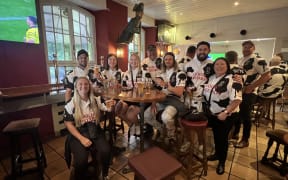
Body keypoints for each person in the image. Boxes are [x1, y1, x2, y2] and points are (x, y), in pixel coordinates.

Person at [63, 77, 113, 180]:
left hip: (94, 130)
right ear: (76, 87)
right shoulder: (70, 104)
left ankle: (105, 174)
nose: (83, 86)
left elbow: (106, 108)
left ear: (89, 86)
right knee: (81, 160)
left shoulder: (95, 100)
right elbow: (68, 124)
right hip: (78, 132)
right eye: (80, 84)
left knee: (106, 151)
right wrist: (81, 138)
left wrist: (111, 105)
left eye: (86, 84)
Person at [203, 57, 242, 175]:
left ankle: (222, 162)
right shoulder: (211, 78)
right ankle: (217, 154)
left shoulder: (233, 80)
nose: (219, 66)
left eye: (222, 64)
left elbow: (237, 100)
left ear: (227, 67)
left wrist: (226, 112)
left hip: (227, 114)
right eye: (217, 64)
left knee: (222, 139)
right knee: (216, 135)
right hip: (213, 113)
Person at [233, 40, 271, 148]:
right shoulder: (241, 59)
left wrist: (251, 87)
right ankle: (235, 134)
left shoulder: (258, 59)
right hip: (239, 91)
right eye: (244, 47)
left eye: (249, 47)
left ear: (253, 48)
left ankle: (245, 140)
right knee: (236, 113)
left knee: (246, 116)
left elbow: (267, 76)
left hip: (249, 92)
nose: (246, 49)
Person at [144, 52, 187, 142]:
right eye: (166, 59)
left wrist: (166, 85)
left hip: (174, 101)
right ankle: (162, 130)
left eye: (170, 59)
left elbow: (179, 92)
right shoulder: (160, 74)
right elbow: (156, 90)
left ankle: (171, 135)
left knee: (166, 117)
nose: (167, 61)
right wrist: (153, 102)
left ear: (174, 61)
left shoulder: (180, 74)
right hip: (161, 100)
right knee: (146, 115)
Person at [184, 41, 214, 112]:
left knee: (203, 120)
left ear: (209, 51)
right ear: (196, 50)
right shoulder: (187, 64)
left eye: (205, 49)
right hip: (189, 98)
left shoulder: (213, 65)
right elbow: (182, 80)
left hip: (205, 100)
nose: (202, 52)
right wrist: (185, 88)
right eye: (200, 49)